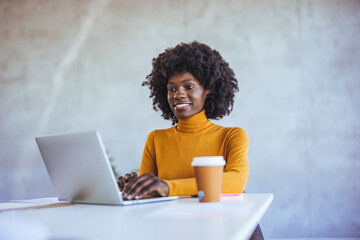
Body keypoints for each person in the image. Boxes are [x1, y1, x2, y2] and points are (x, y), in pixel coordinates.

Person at [118, 41, 249, 200]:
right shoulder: (156, 139)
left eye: (189, 86)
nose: (178, 94)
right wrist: (134, 189)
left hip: (219, 221)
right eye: (171, 89)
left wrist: (168, 187)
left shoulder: (231, 136)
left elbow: (236, 181)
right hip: (171, 223)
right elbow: (150, 194)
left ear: (208, 90)